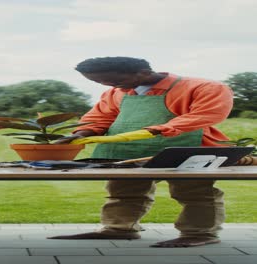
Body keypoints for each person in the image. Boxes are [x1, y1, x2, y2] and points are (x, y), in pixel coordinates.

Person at [49, 56, 233, 247]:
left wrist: (155, 130)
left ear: (144, 73)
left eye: (116, 81)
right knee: (123, 191)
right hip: (126, 149)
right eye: (99, 82)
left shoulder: (204, 87)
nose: (110, 86)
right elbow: (101, 117)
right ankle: (119, 229)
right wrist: (81, 133)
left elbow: (206, 114)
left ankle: (200, 234)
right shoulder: (116, 93)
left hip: (185, 147)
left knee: (194, 192)